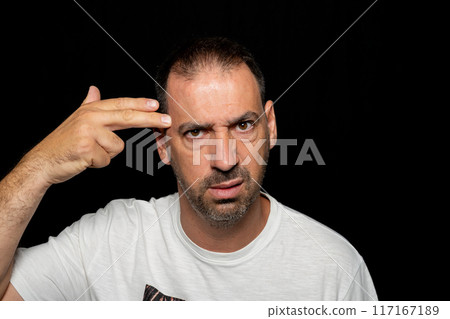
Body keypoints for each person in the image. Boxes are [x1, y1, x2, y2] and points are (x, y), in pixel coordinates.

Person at [0, 37, 377, 301]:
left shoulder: (333, 268)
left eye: (244, 126)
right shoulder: (110, 240)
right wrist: (40, 166)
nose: (226, 159)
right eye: (196, 132)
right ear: (162, 145)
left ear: (271, 126)